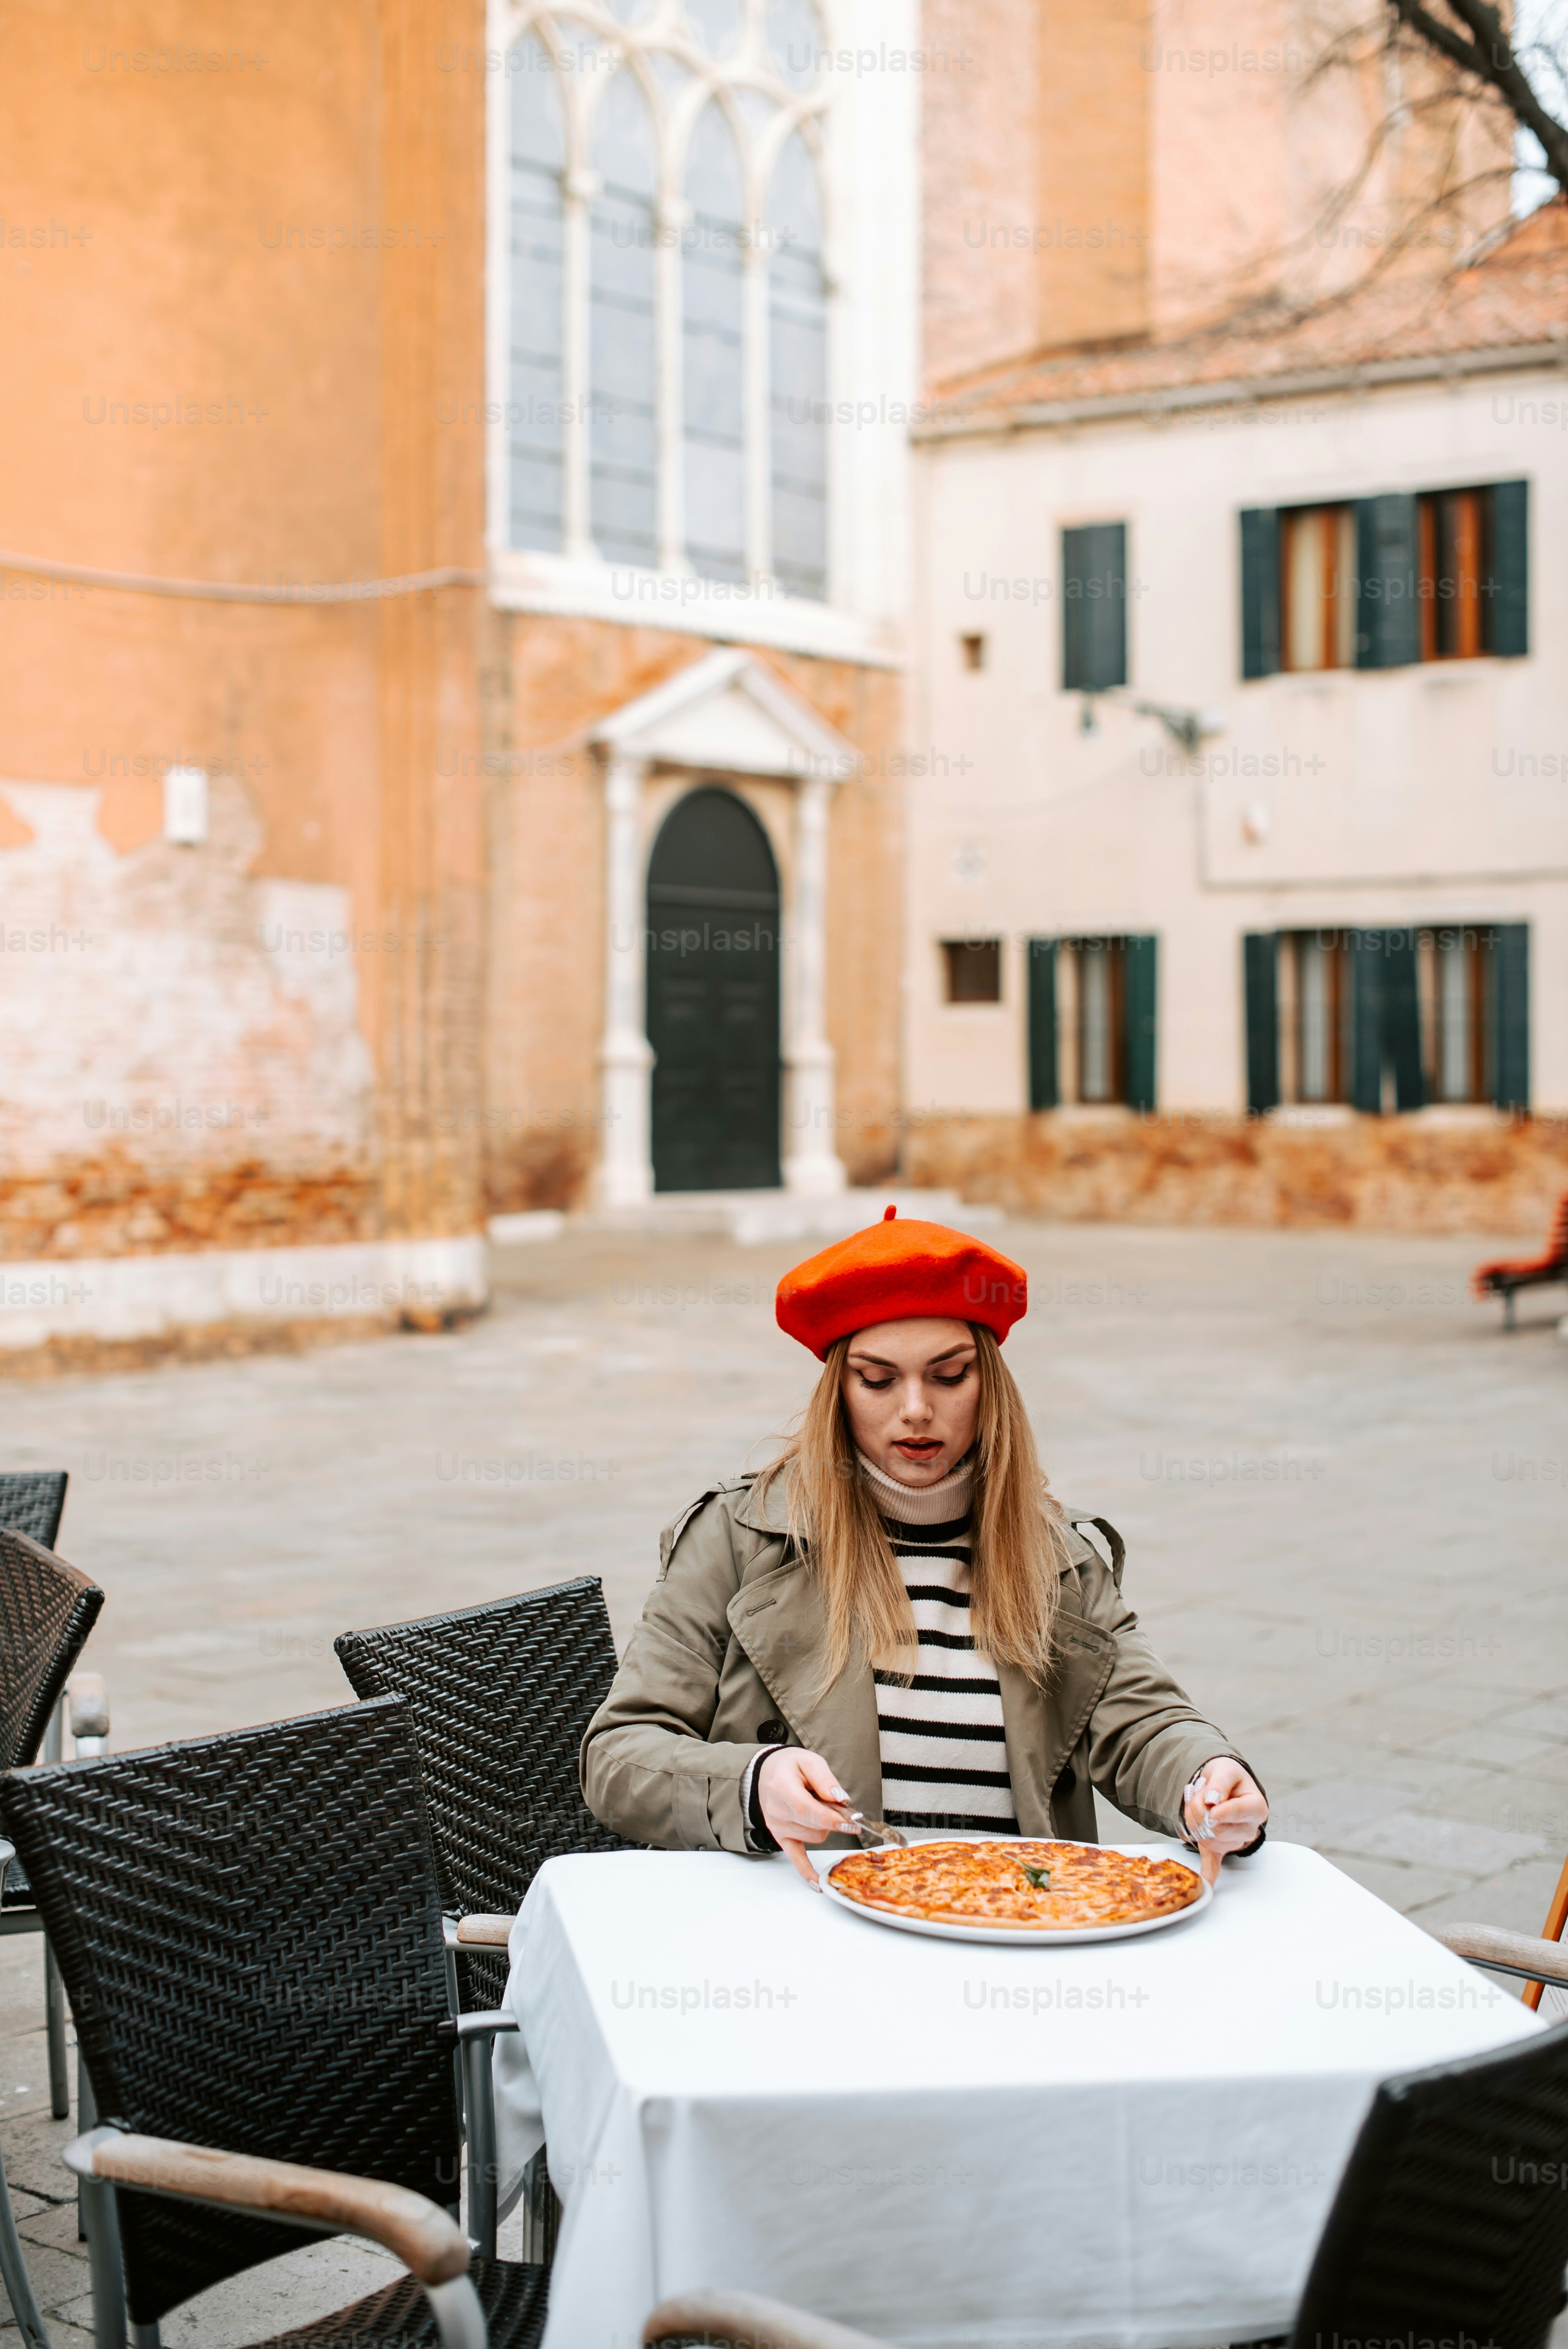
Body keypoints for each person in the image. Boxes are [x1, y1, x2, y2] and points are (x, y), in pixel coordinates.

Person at [581, 1209, 1267, 1885]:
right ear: (840, 1393)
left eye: (949, 1375)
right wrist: (751, 1785)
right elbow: (617, 1757)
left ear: (989, 1384)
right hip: (805, 1938)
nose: (915, 1409)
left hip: (1016, 1932)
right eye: (878, 1379)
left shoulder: (1062, 1557)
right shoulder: (739, 1535)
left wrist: (1208, 1778)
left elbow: (1144, 1723)